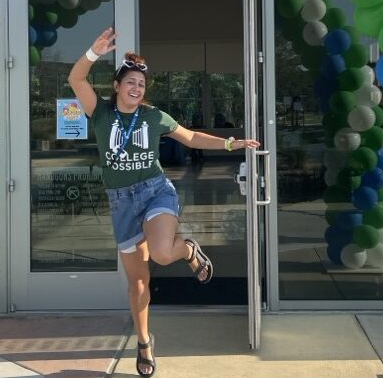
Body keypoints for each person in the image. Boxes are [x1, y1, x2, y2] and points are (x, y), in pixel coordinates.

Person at [68, 28, 260, 377]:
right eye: (130, 82)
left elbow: (190, 138)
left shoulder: (153, 117)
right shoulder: (100, 113)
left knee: (160, 252)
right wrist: (94, 52)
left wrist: (230, 144)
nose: (136, 88)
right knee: (137, 282)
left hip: (155, 191)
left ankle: (187, 250)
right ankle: (144, 341)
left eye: (141, 84)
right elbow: (76, 77)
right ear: (117, 85)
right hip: (121, 203)